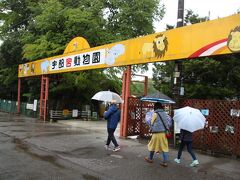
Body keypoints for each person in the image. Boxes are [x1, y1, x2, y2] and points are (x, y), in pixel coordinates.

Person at [144, 102, 172, 167]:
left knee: (152, 146)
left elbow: (151, 122)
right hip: (163, 133)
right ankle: (165, 162)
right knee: (164, 147)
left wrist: (152, 127)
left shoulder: (155, 114)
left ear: (156, 107)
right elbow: (167, 123)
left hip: (156, 134)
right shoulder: (165, 114)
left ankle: (150, 158)